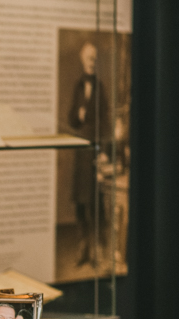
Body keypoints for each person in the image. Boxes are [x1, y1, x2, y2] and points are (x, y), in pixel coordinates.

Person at [68, 41, 109, 266]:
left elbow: (105, 121)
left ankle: (96, 251)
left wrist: (102, 151)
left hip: (94, 151)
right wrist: (79, 114)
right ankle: (83, 248)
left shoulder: (101, 87)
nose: (92, 62)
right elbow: (71, 119)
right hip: (80, 151)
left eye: (95, 58)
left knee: (95, 203)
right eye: (88, 58)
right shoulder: (77, 86)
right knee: (80, 203)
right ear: (83, 60)